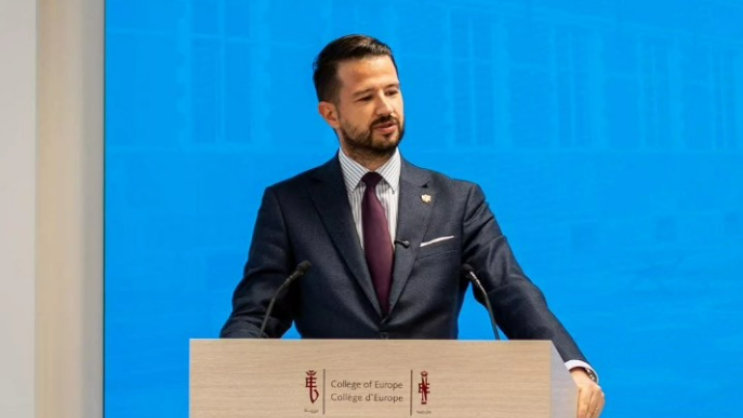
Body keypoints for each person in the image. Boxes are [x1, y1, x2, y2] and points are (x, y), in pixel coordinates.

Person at [221, 34, 605, 418]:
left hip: (435, 403)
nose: (386, 108)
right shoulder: (288, 204)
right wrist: (231, 374)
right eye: (365, 98)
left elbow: (508, 288)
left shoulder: (458, 200)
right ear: (330, 114)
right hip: (333, 405)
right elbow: (258, 312)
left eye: (392, 91)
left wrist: (568, 366)